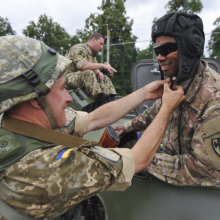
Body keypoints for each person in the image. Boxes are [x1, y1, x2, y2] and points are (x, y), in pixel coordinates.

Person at [0, 35, 184, 220]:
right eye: (63, 89)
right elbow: (138, 159)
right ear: (35, 99)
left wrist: (145, 93)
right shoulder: (45, 168)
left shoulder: (19, 124)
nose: (69, 98)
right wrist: (167, 108)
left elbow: (94, 119)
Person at [114, 12, 220, 187]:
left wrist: (137, 157)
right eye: (157, 51)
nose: (159, 57)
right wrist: (126, 128)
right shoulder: (177, 81)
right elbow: (154, 112)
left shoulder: (214, 100)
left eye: (165, 50)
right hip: (171, 178)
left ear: (190, 48)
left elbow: (205, 169)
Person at [64, 33, 117, 106]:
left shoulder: (92, 54)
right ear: (94, 40)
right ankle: (102, 103)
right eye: (100, 44)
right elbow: (83, 66)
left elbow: (94, 68)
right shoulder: (79, 48)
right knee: (89, 73)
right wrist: (102, 65)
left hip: (80, 77)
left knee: (104, 77)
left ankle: (110, 100)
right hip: (67, 78)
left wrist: (99, 73)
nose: (102, 47)